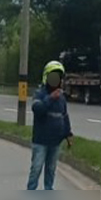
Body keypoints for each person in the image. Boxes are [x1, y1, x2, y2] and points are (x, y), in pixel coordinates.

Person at [27, 61, 73, 190]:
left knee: (51, 171)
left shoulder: (61, 98)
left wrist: (68, 134)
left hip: (55, 142)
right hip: (40, 141)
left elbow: (64, 116)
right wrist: (50, 98)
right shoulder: (40, 94)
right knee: (36, 169)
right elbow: (37, 109)